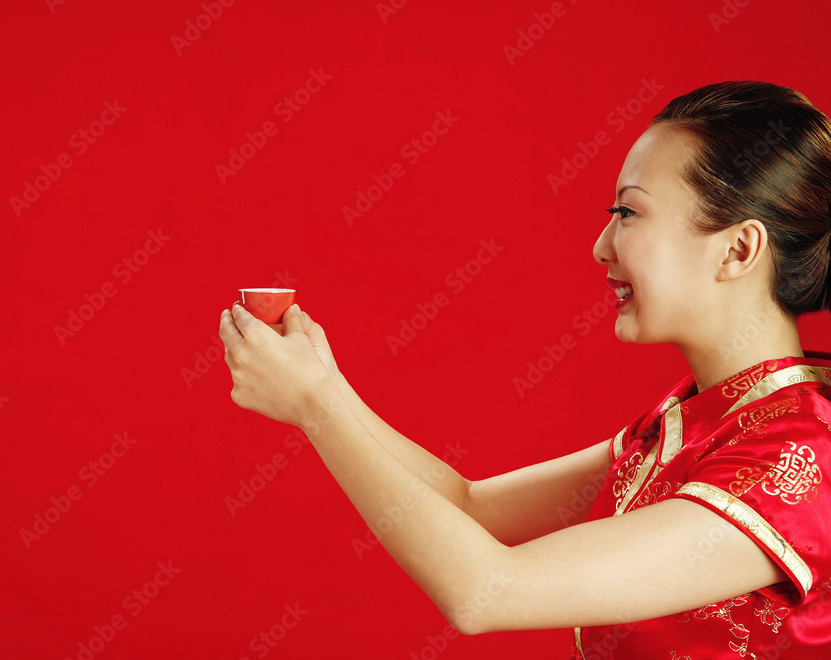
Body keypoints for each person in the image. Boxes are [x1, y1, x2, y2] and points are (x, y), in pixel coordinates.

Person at [218, 81, 831, 658]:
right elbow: (470, 507)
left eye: (629, 213)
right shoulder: (698, 418)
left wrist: (315, 408)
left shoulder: (796, 456)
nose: (600, 246)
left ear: (739, 249)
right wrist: (324, 383)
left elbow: (488, 588)